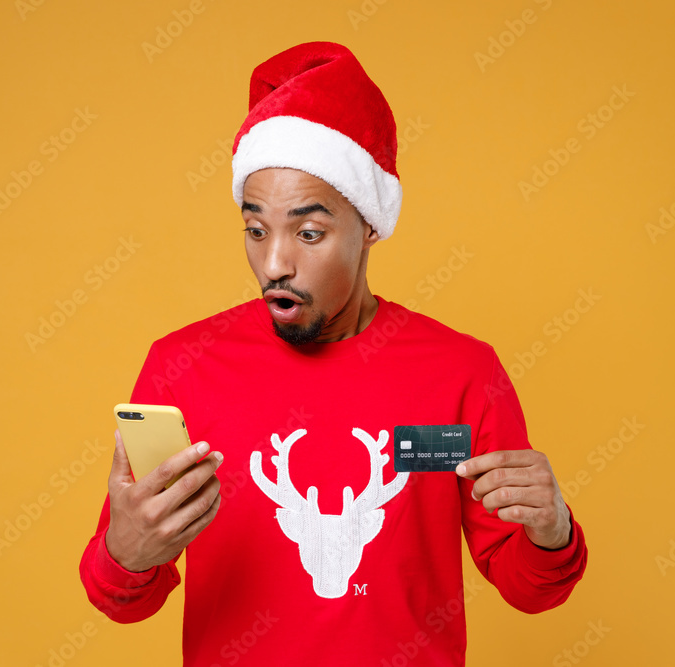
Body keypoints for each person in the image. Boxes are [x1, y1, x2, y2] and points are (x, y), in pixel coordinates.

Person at [79, 41, 587, 666]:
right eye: (256, 229)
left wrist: (551, 530)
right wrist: (125, 552)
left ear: (369, 224)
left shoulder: (463, 373)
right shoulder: (183, 367)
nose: (273, 264)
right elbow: (123, 598)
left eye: (309, 232)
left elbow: (528, 589)